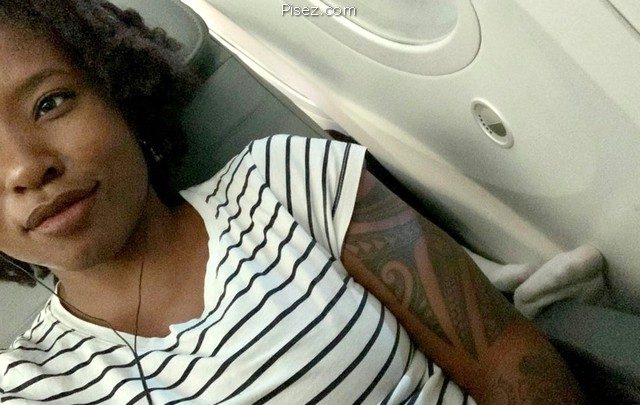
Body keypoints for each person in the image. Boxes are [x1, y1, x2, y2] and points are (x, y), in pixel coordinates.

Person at [0, 0, 584, 403]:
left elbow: (505, 358)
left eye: (50, 103)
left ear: (119, 94)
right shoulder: (29, 387)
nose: (27, 166)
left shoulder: (284, 181)